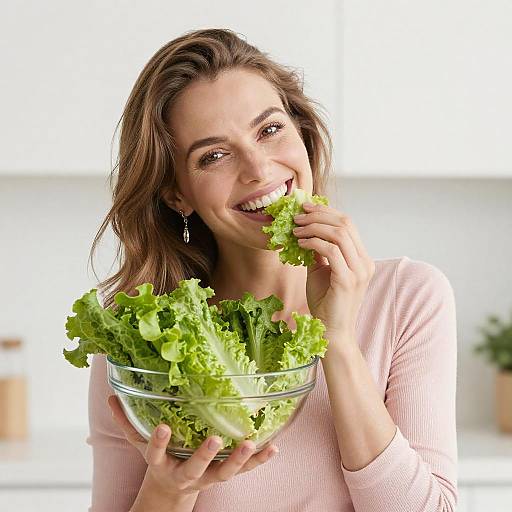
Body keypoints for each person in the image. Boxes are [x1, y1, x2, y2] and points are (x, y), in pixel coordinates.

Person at [86, 28, 458, 512]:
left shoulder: (409, 298)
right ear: (176, 193)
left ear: (302, 134)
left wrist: (338, 340)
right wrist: (170, 489)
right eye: (213, 155)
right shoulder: (140, 330)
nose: (258, 169)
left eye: (270, 129)